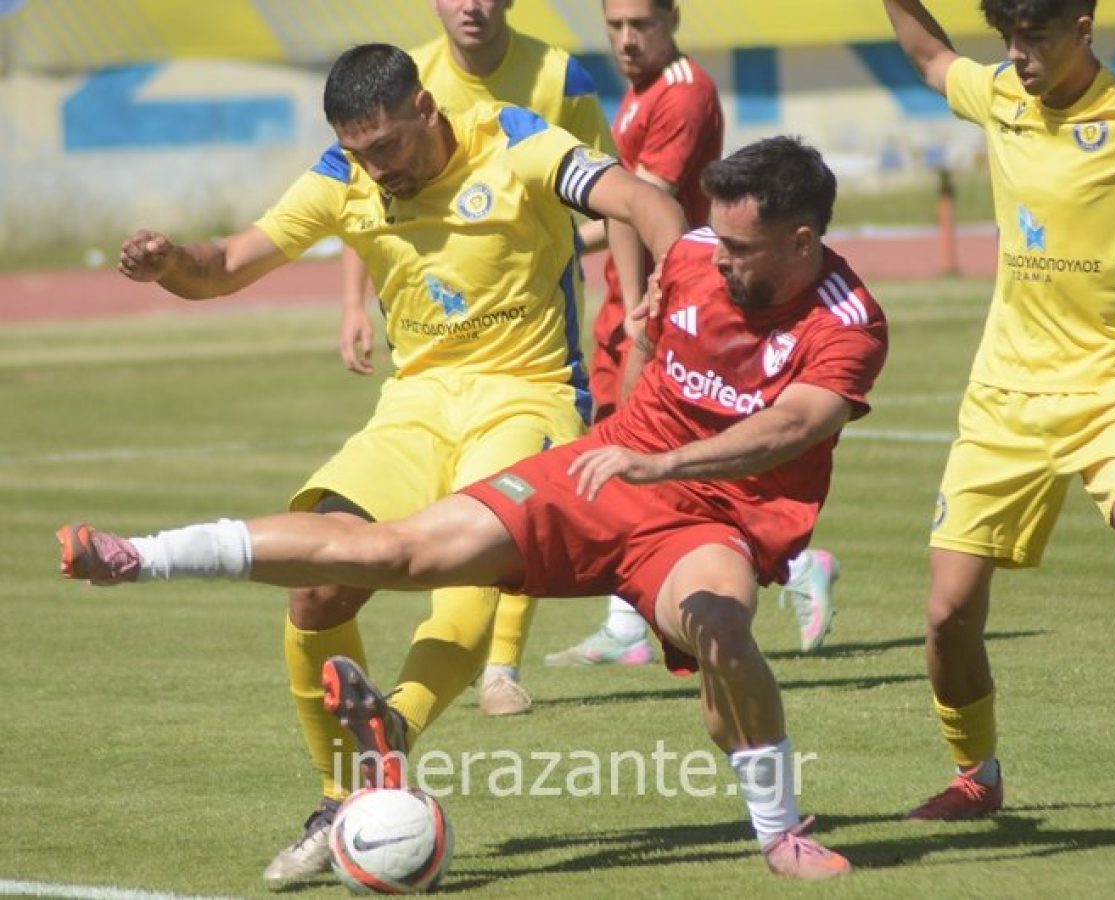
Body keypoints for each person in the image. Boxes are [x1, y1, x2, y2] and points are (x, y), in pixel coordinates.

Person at [61, 135, 889, 881]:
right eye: (719, 240)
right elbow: (656, 267)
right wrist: (634, 390)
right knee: (398, 551)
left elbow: (791, 428)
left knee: (723, 633)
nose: (722, 259)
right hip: (603, 475)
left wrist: (661, 460)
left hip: (714, 519)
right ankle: (144, 555)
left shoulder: (849, 323)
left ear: (803, 241)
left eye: (742, 249)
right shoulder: (700, 254)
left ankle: (780, 833)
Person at [110, 43, 687, 888]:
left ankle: (396, 732)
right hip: (415, 407)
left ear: (425, 109)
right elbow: (227, 264)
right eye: (360, 151)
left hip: (528, 398)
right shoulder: (344, 175)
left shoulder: (516, 141)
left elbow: (641, 198)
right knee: (315, 584)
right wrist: (168, 266)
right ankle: (340, 799)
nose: (376, 169)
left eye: (387, 146)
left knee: (464, 574)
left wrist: (674, 289)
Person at [882, 0, 1115, 820]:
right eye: (1010, 39)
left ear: (1085, 25)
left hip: (1111, 393)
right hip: (1002, 403)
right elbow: (927, 58)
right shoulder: (1000, 96)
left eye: (1038, 37)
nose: (1020, 56)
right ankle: (975, 779)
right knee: (948, 613)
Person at [337, 2, 624, 726]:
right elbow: (361, 199)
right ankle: (441, 678)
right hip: (435, 332)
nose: (469, 5)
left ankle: (501, 665)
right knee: (460, 498)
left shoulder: (560, 76)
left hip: (529, 312)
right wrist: (352, 305)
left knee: (513, 483)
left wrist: (640, 295)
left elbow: (613, 191)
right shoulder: (400, 78)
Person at [544, 0, 842, 669]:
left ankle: (784, 568)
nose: (626, 39)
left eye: (639, 25)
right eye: (614, 26)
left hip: (662, 313)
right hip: (637, 306)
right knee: (620, 457)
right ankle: (637, 617)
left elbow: (638, 206)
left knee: (631, 458)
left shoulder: (683, 95)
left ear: (672, 18)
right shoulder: (639, 95)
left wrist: (565, 251)